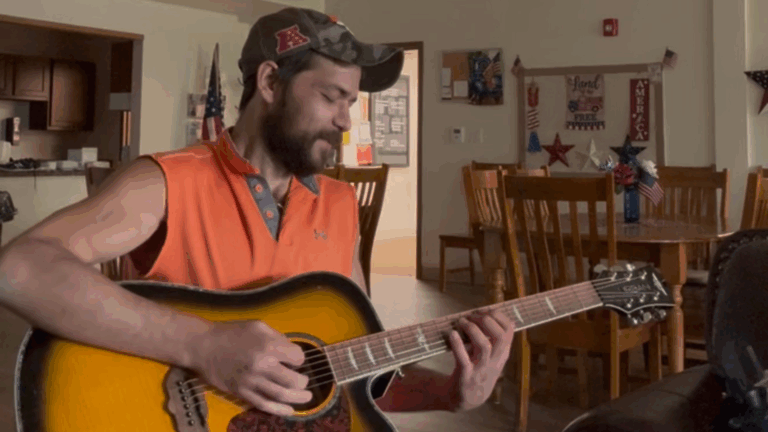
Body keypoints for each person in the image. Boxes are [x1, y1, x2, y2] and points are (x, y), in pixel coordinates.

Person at [0, 7, 515, 419]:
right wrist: (203, 345)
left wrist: (449, 394)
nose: (344, 120)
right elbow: (19, 269)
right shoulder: (166, 181)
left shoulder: (339, 208)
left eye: (351, 103)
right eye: (332, 96)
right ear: (270, 83)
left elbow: (351, 378)